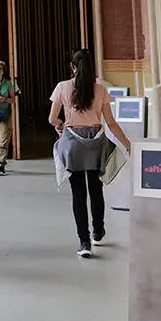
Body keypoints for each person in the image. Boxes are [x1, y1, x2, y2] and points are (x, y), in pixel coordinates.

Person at [49, 47, 132, 259]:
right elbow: (111, 123)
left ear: (72, 66)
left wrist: (61, 125)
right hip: (96, 143)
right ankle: (98, 231)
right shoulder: (100, 90)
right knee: (96, 189)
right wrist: (127, 143)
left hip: (73, 144)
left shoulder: (62, 87)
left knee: (78, 194)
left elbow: (52, 119)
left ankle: (84, 242)